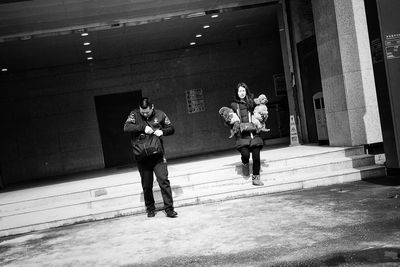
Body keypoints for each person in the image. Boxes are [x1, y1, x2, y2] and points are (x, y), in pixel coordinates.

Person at [123, 97, 178, 218]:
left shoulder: (160, 114)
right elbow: (126, 127)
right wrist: (142, 127)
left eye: (147, 112)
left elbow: (172, 129)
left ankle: (169, 209)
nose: (145, 114)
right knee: (147, 185)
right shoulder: (134, 114)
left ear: (152, 107)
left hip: (158, 155)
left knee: (163, 181)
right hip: (142, 157)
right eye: (142, 112)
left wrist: (163, 131)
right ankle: (150, 209)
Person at [230, 82, 264, 186]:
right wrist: (232, 122)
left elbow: (259, 111)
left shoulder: (252, 103)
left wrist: (261, 116)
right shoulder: (233, 105)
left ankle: (256, 178)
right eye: (240, 91)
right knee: (245, 154)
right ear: (237, 92)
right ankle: (245, 163)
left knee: (256, 157)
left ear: (246, 91)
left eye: (243, 90)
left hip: (254, 134)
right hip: (242, 135)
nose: (242, 93)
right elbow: (229, 118)